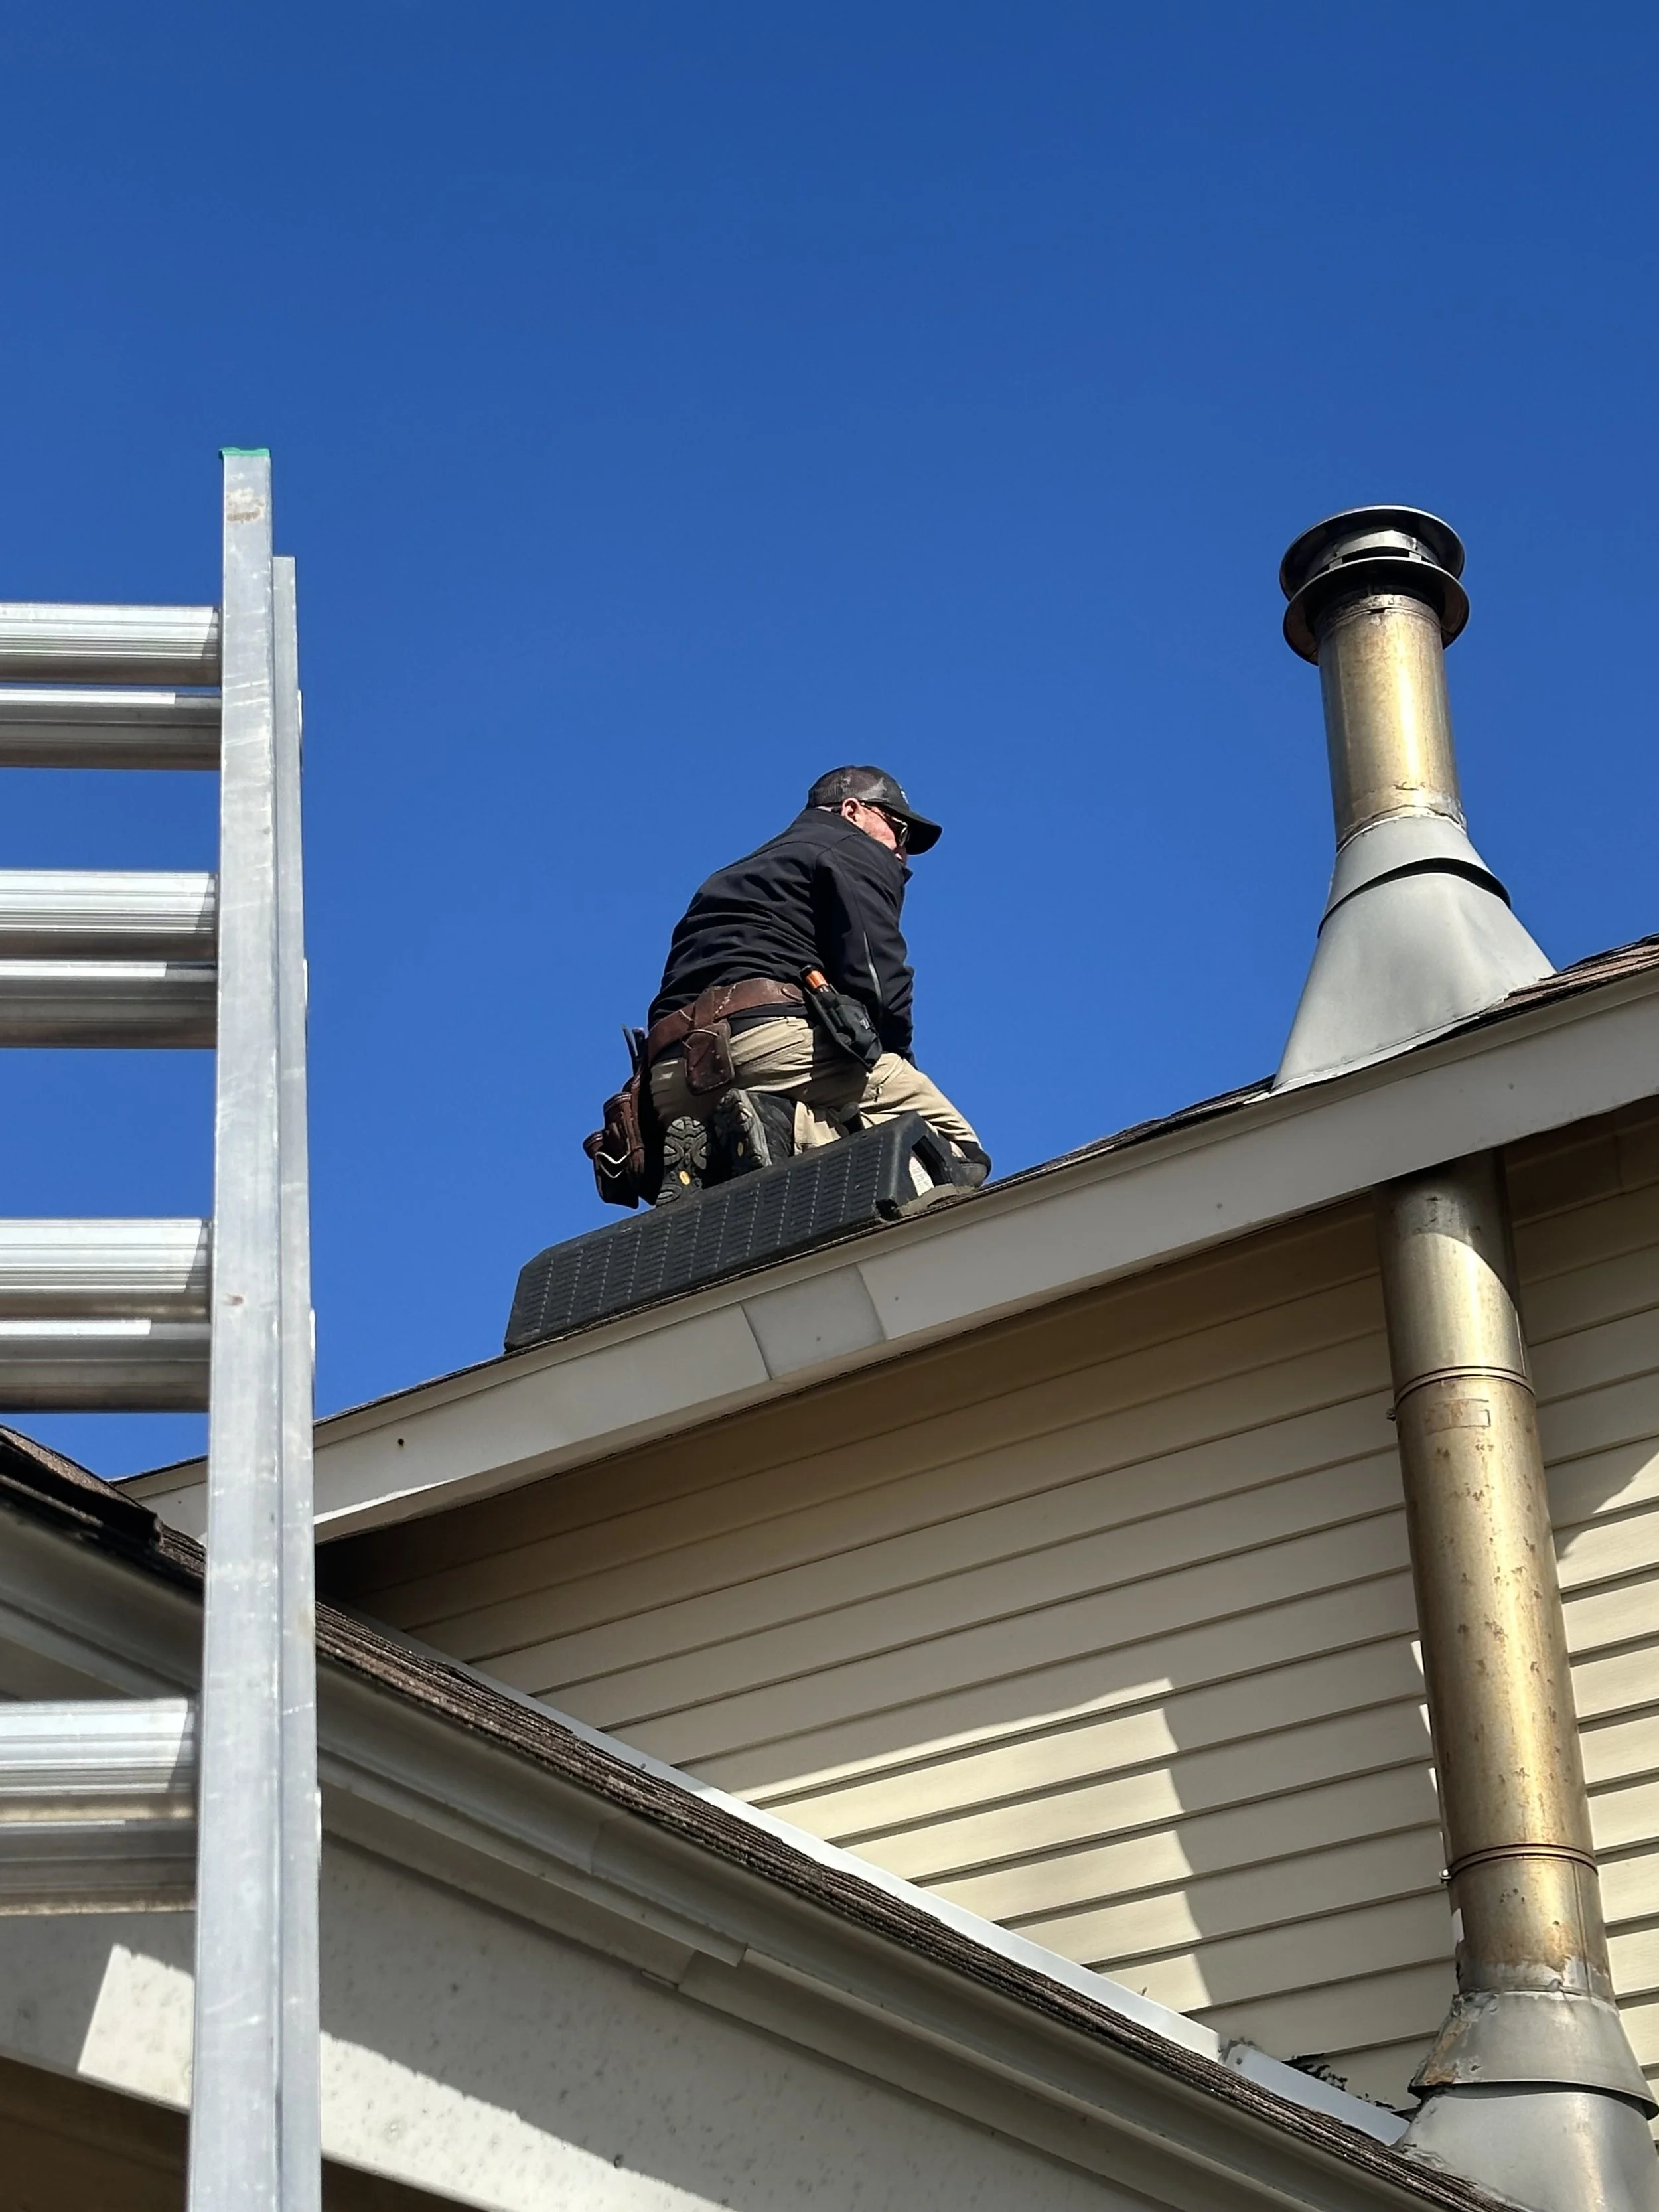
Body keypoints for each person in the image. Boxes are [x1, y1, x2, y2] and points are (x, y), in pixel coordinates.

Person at [642, 766, 989, 1201]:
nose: (902, 853)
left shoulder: (726, 877)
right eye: (899, 831)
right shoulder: (849, 847)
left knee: (798, 1133)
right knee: (949, 1146)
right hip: (767, 1048)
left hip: (670, 1083)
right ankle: (783, 1127)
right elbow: (877, 980)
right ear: (853, 811)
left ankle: (710, 1153)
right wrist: (895, 1063)